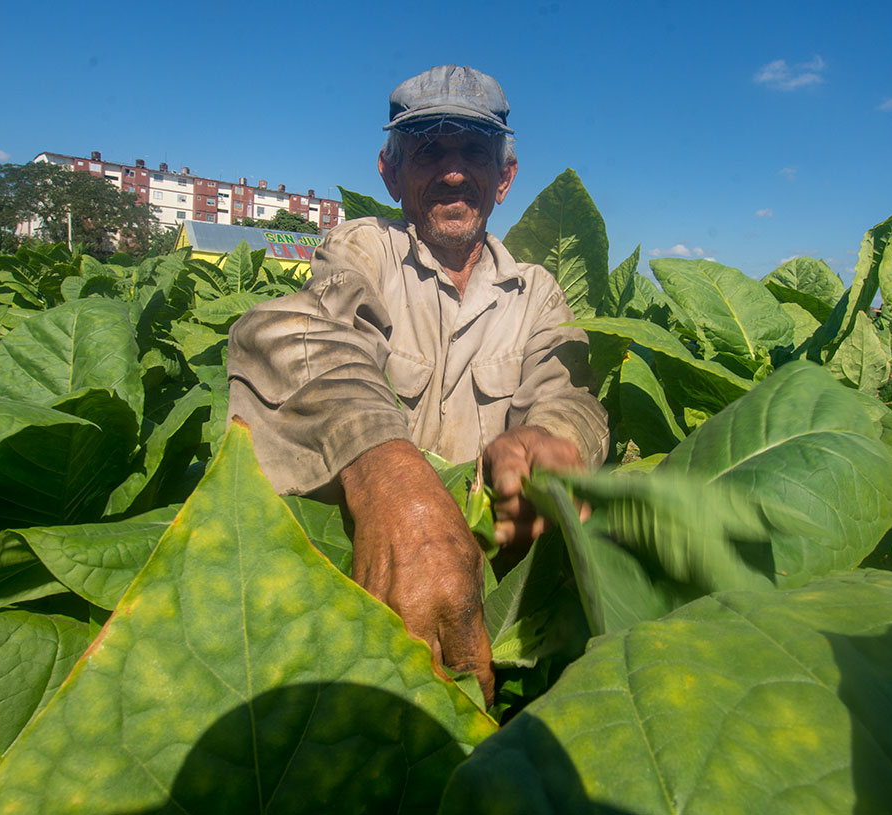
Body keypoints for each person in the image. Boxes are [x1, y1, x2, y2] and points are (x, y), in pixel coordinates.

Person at [227, 65, 608, 703]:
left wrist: (556, 439)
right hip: (368, 588)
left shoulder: (537, 292)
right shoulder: (365, 252)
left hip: (495, 603)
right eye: (430, 148)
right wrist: (387, 474)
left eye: (475, 151)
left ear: (505, 177)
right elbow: (298, 333)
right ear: (391, 173)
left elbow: (569, 392)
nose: (453, 170)